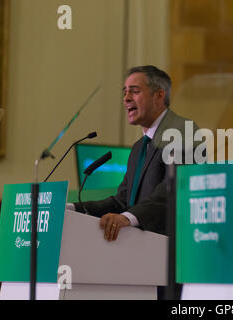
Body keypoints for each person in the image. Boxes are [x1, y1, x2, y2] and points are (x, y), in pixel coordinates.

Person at [70, 65, 199, 241]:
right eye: (124, 93)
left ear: (159, 95)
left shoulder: (183, 131)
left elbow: (172, 189)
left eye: (135, 91)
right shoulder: (139, 147)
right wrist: (71, 209)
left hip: (170, 250)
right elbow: (122, 202)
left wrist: (127, 218)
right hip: (139, 250)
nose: (127, 98)